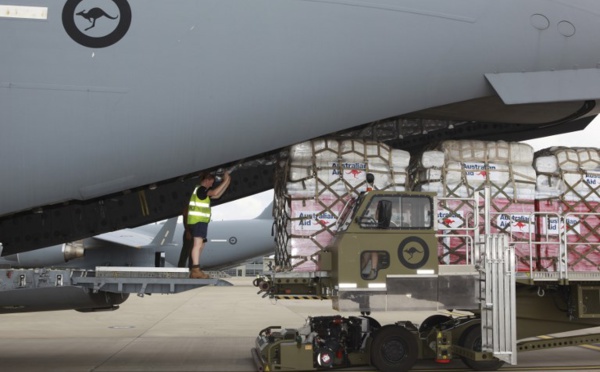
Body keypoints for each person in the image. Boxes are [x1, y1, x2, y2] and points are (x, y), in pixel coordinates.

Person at [188, 171, 231, 278]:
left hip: (199, 221)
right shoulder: (201, 190)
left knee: (201, 244)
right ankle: (195, 269)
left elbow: (217, 195)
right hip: (198, 221)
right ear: (206, 180)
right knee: (197, 245)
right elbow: (215, 193)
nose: (211, 185)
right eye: (211, 182)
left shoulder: (200, 191)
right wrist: (225, 180)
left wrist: (227, 182)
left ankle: (196, 268)